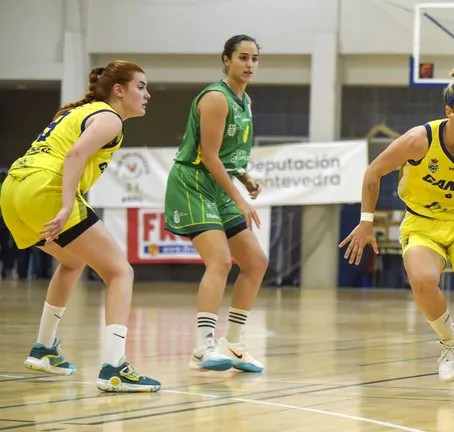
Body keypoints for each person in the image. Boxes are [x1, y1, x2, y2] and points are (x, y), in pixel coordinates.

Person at [339, 67, 454, 398]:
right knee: (423, 280)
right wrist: (366, 221)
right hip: (423, 223)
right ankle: (451, 343)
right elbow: (373, 171)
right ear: (449, 112)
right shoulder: (420, 140)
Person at [0, 61, 161, 392]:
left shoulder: (77, 112)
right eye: (141, 86)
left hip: (13, 190)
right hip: (45, 189)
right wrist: (65, 205)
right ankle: (115, 368)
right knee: (120, 272)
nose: (147, 94)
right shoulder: (110, 118)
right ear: (119, 90)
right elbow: (75, 155)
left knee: (73, 261)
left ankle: (44, 349)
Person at [164, 34, 267, 373]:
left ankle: (233, 344)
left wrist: (245, 178)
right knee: (220, 261)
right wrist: (240, 198)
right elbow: (208, 156)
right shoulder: (216, 99)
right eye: (243, 57)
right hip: (193, 183)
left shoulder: (245, 101)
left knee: (255, 263)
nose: (249, 64)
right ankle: (202, 348)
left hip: (218, 186)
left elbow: (227, 155)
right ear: (226, 60)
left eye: (254, 58)